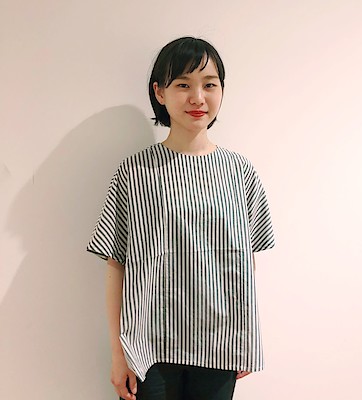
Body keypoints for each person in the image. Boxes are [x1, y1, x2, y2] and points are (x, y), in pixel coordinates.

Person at [86, 36, 275, 400]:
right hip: (148, 348)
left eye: (209, 85)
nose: (198, 98)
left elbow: (246, 261)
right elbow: (116, 263)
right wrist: (118, 353)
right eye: (183, 85)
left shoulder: (240, 172)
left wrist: (245, 338)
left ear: (222, 91)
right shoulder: (135, 172)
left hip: (220, 345)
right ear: (159, 92)